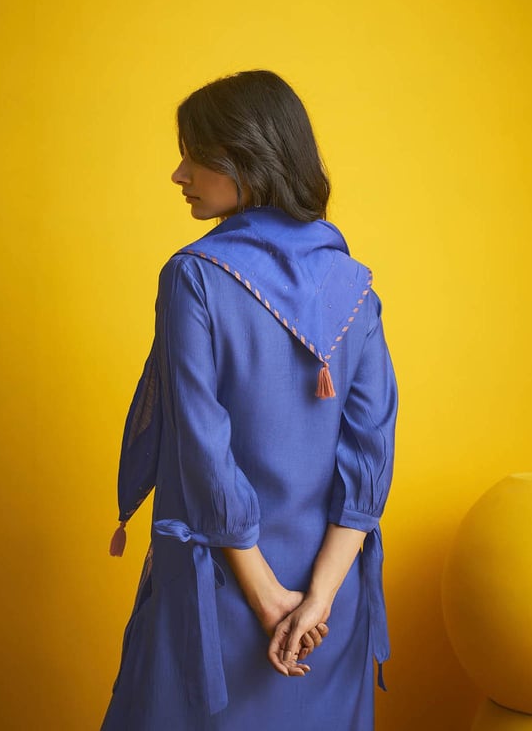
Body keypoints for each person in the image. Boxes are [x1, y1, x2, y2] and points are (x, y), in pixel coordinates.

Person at [101, 70, 397, 731]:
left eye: (195, 155)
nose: (179, 174)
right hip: (329, 613)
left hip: (223, 598)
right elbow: (370, 459)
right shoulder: (357, 289)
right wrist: (317, 601)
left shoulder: (194, 277)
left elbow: (202, 451)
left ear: (248, 158)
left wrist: (268, 601)